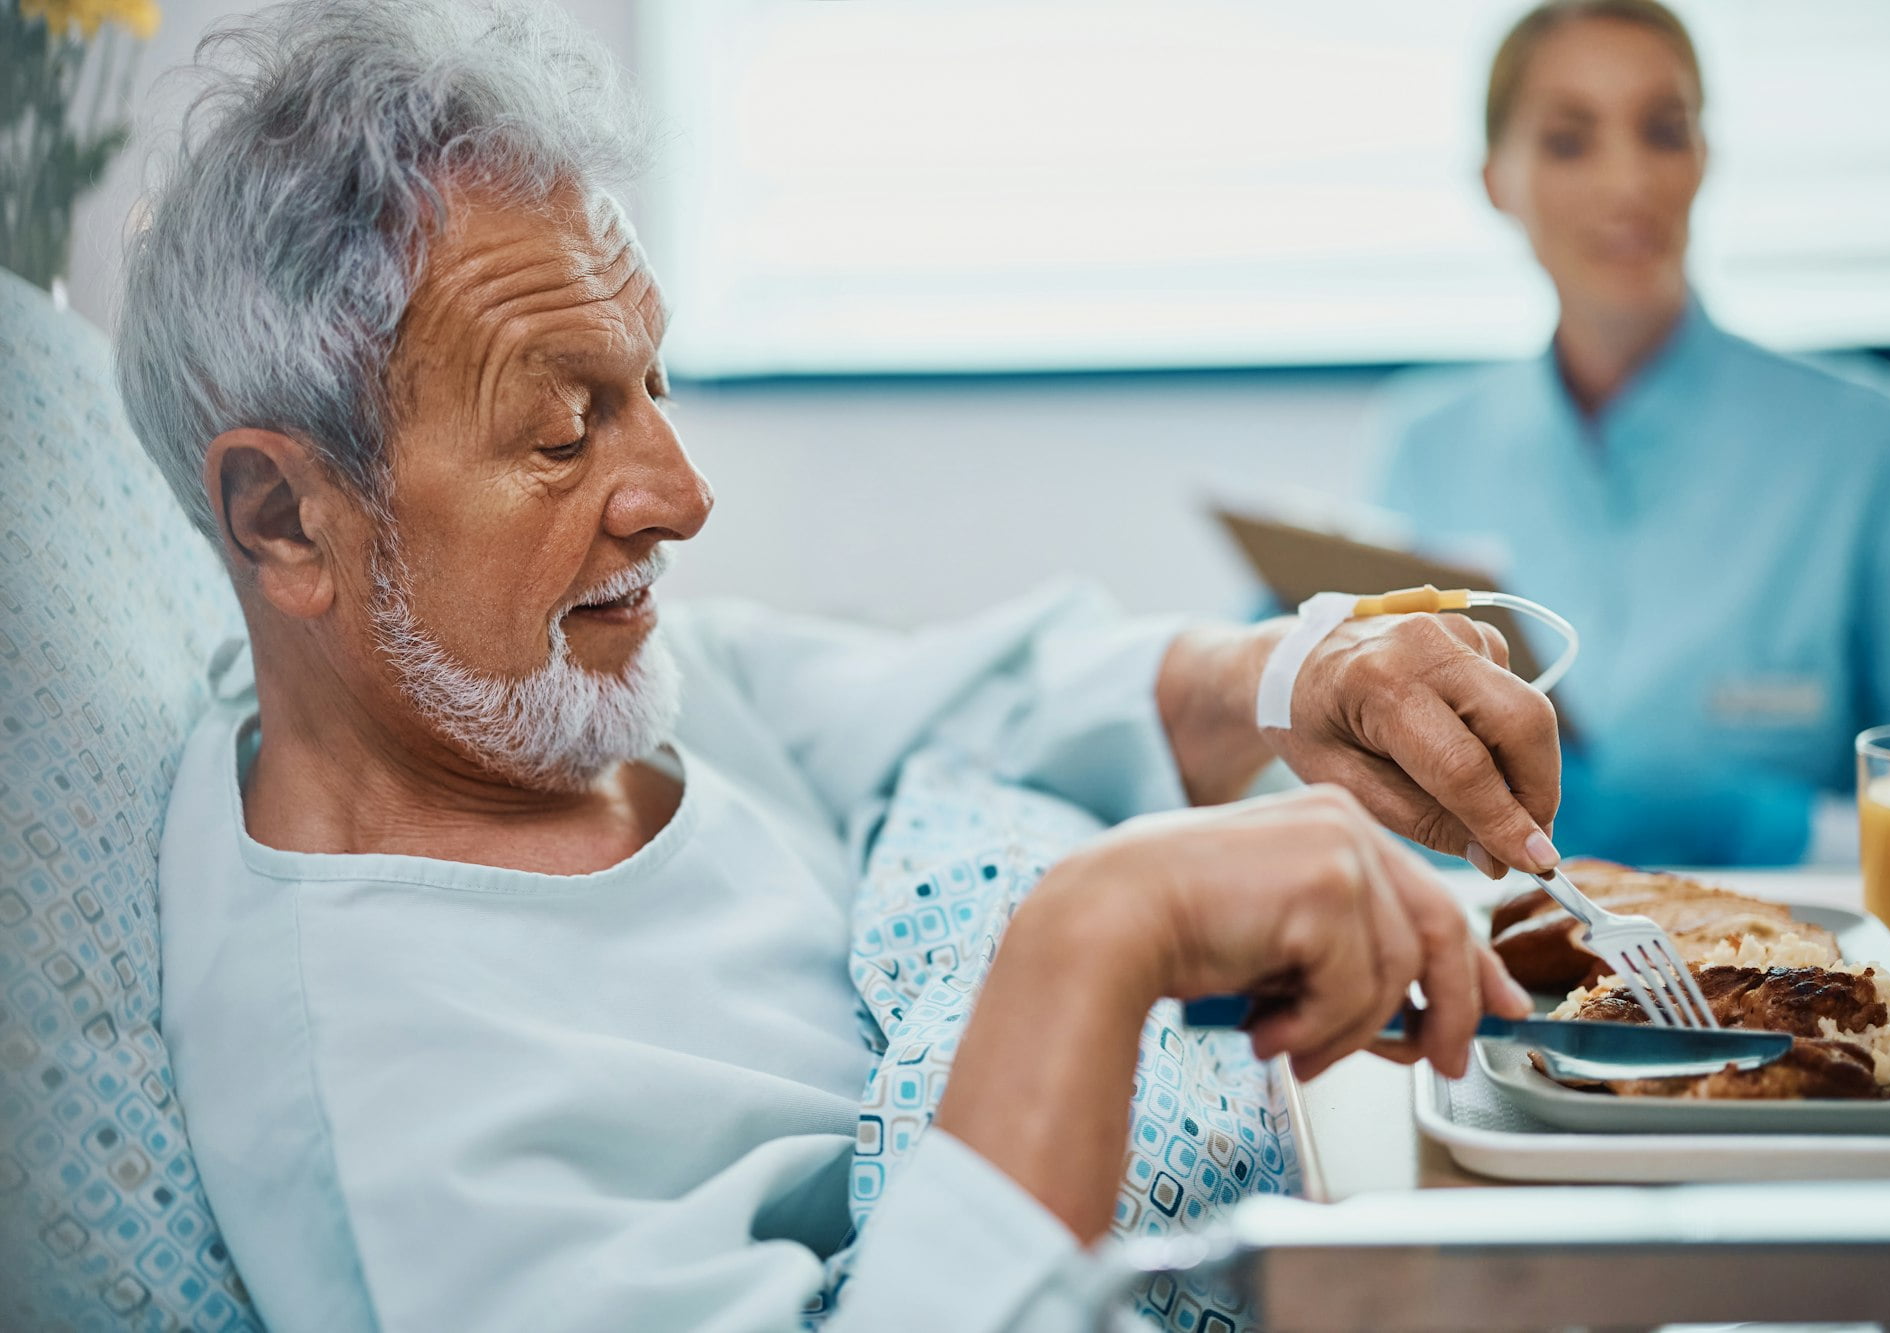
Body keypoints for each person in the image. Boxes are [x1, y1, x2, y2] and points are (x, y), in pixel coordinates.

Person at [120, 3, 1557, 1329]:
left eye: (652, 384)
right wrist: (1096, 937)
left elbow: (976, 695)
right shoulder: (397, 1110)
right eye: (562, 431)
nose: (682, 497)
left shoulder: (548, 693)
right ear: (284, 517)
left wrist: (1296, 673)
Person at [1375, 0, 1890, 867]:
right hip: (1493, 937)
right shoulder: (1425, 444)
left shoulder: (1871, 442)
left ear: (1705, 157)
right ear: (1495, 181)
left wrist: (1788, 833)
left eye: (1664, 132)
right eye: (1569, 141)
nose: (1627, 184)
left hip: (1787, 938)